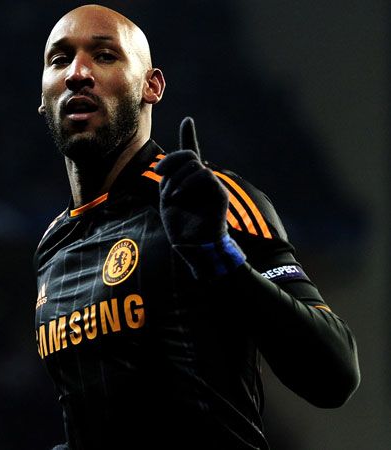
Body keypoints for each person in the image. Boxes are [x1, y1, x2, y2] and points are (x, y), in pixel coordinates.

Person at [34, 4, 360, 450]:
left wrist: (217, 255)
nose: (78, 73)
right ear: (43, 96)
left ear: (151, 85)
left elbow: (334, 376)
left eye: (105, 56)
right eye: (60, 60)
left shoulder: (207, 203)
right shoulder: (52, 247)